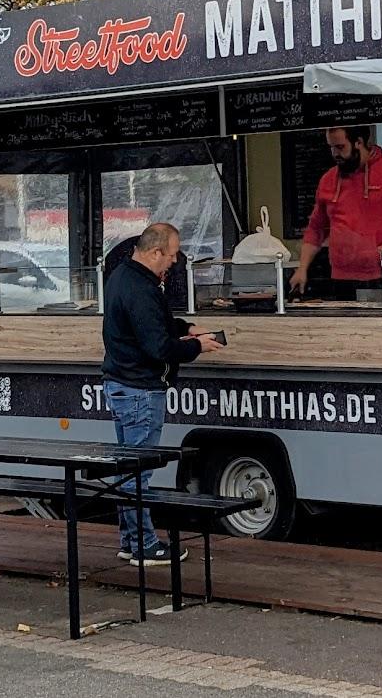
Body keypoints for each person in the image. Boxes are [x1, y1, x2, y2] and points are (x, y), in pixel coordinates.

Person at [102, 222, 224, 566]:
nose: (172, 263)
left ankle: (130, 540)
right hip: (141, 390)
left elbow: (151, 324)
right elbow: (158, 346)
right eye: (171, 256)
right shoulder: (142, 288)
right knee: (138, 472)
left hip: (122, 385)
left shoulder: (121, 276)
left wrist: (186, 328)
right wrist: (196, 346)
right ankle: (144, 545)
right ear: (155, 252)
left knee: (127, 469)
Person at [289, 125, 382, 297]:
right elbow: (316, 228)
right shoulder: (328, 179)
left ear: (358, 142)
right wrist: (302, 268)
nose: (334, 154)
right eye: (331, 147)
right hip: (341, 276)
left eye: (340, 147)